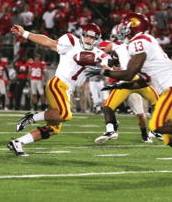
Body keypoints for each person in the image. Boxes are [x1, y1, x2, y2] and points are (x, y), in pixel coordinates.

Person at [85, 13, 172, 179]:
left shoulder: (139, 41)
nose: (122, 29)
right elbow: (143, 81)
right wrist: (122, 85)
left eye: (125, 26)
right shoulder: (144, 42)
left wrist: (103, 71)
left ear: (133, 27)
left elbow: (130, 73)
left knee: (156, 125)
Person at [8, 23, 109, 156]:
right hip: (58, 83)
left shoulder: (99, 54)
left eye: (92, 37)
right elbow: (47, 42)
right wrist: (25, 33)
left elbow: (109, 69)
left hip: (68, 91)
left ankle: (18, 143)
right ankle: (33, 117)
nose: (88, 40)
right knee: (66, 115)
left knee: (53, 128)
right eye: (86, 36)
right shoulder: (71, 41)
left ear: (97, 40)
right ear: (81, 35)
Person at [95, 31, 159, 144]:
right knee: (109, 106)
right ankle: (111, 129)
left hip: (136, 81)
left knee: (142, 113)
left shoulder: (134, 47)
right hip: (127, 82)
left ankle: (148, 134)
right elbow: (108, 54)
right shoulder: (118, 48)